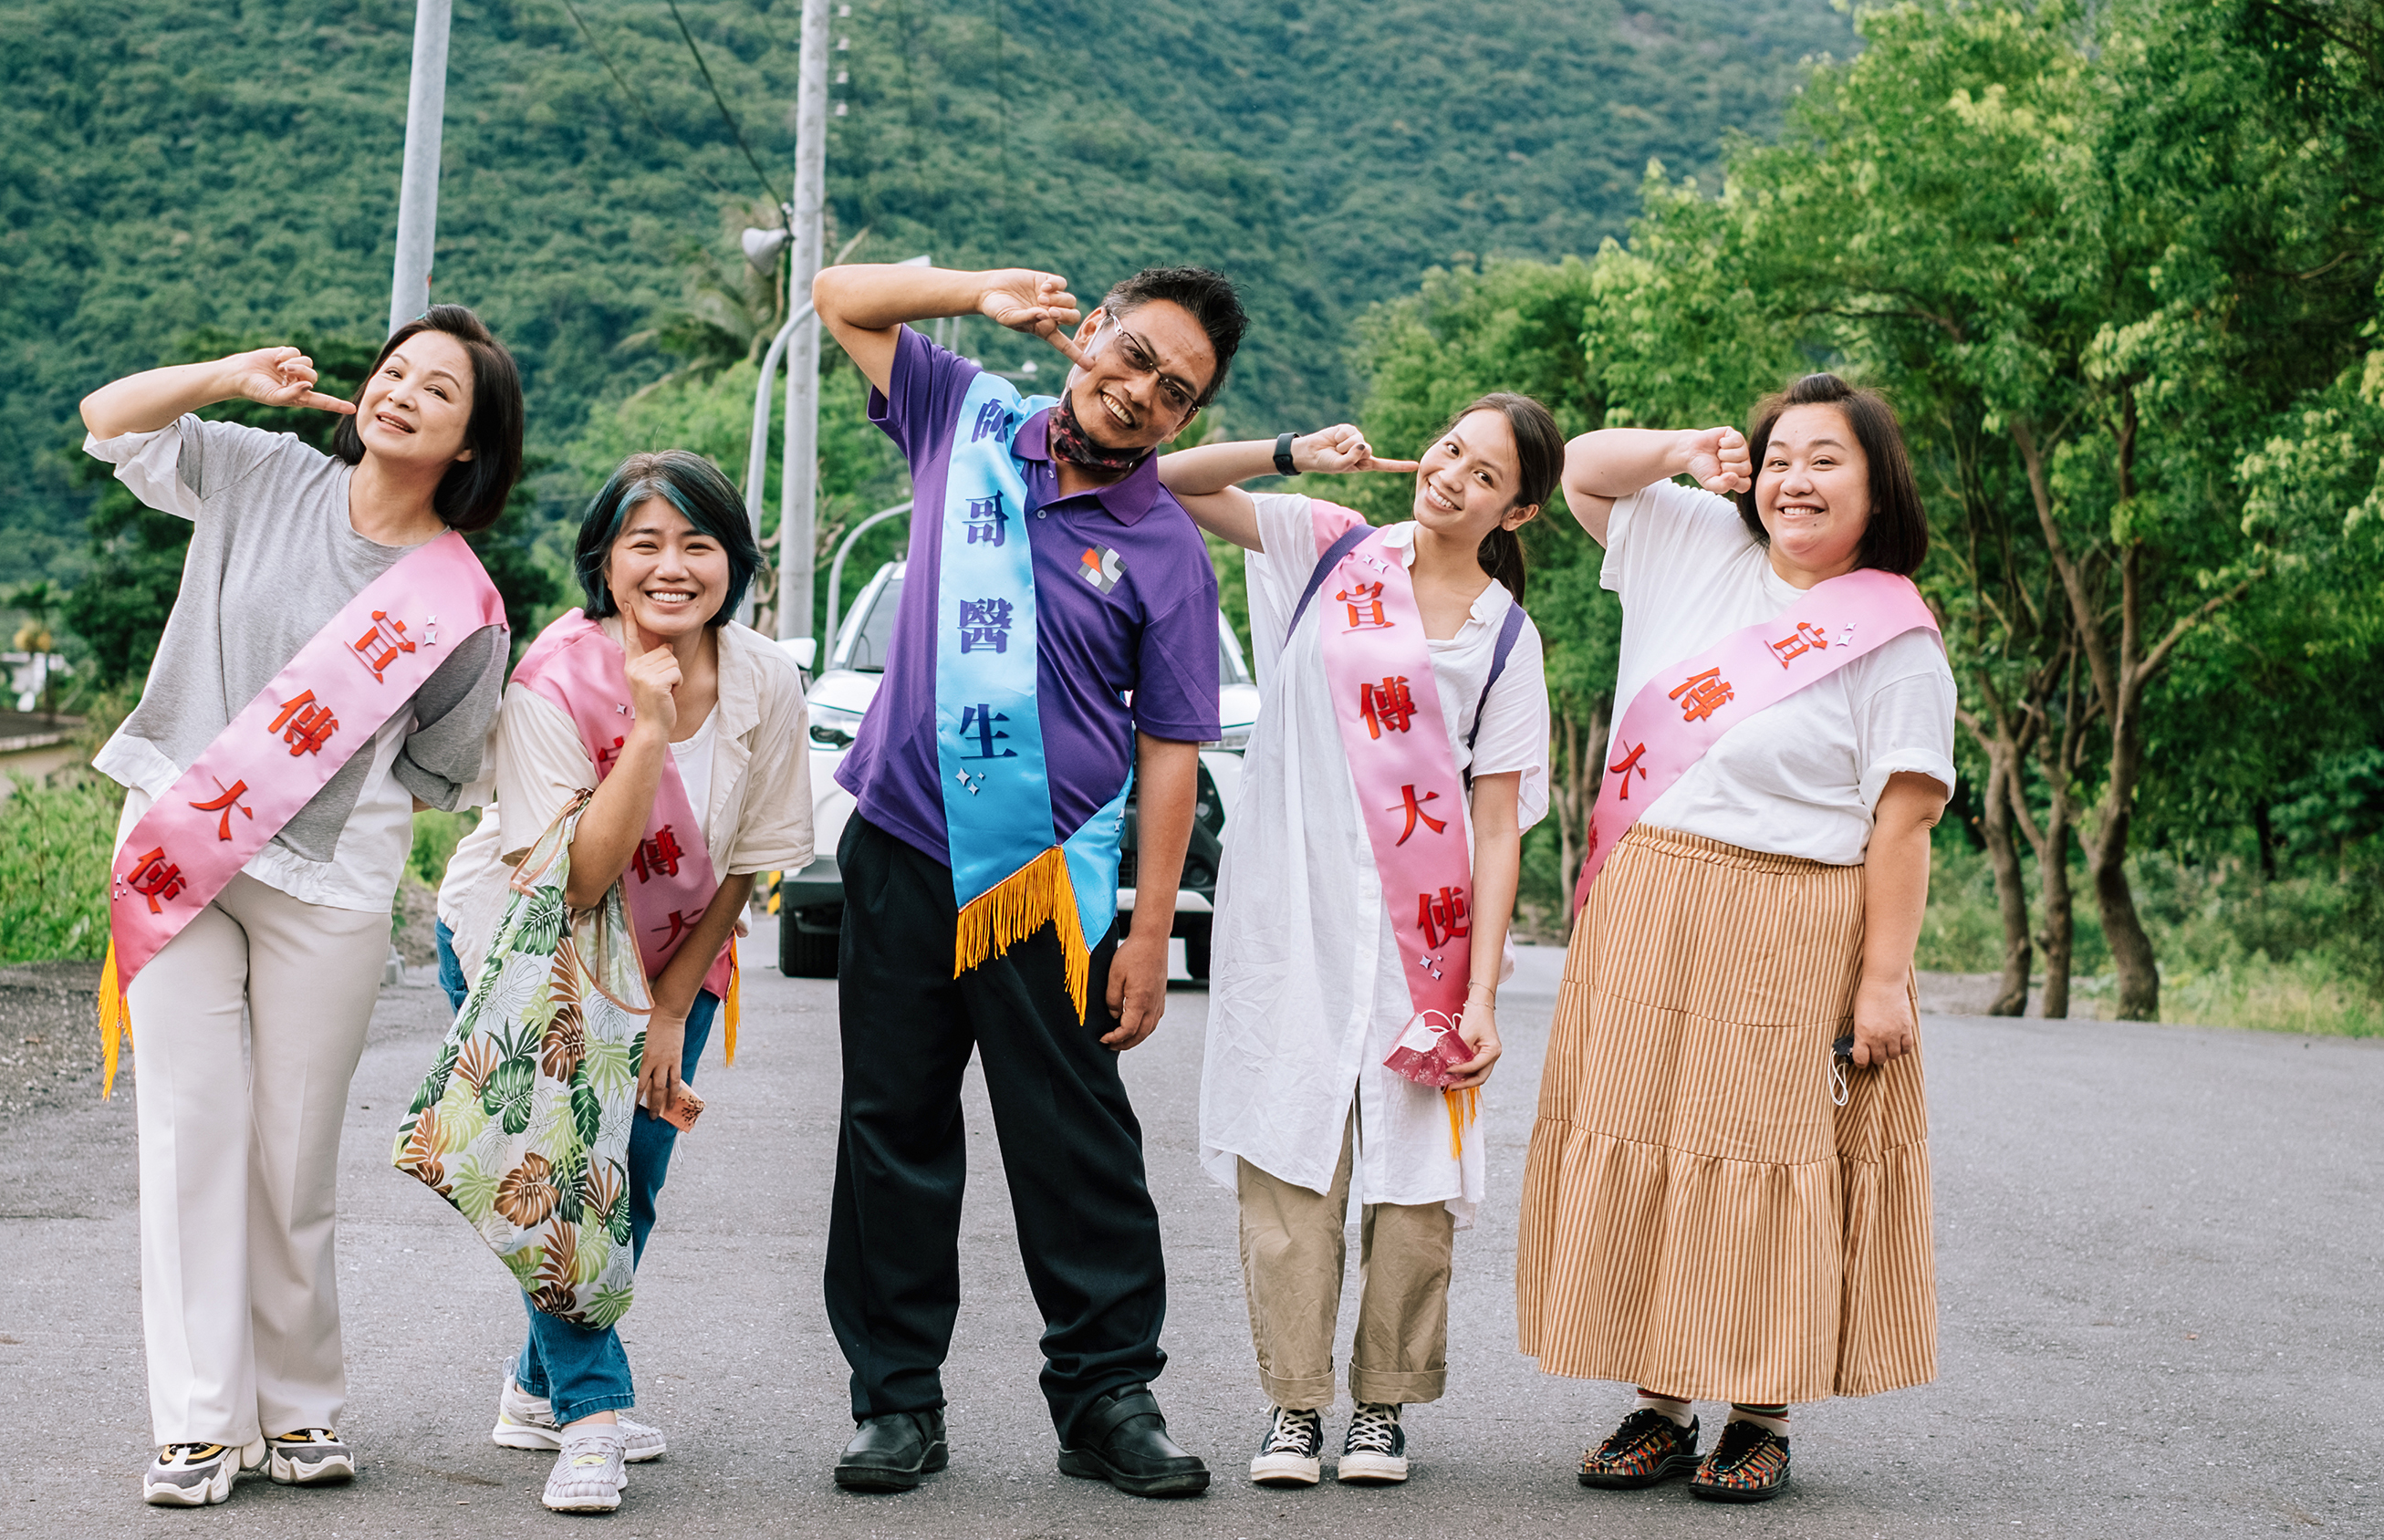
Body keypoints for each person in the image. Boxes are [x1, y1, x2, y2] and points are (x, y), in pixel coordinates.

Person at [809, 261, 1244, 1499]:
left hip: (1047, 881)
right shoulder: (966, 415)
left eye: (1176, 389)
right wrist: (968, 292)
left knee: (1076, 1139)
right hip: (901, 845)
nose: (1142, 390)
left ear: (1185, 421)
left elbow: (1172, 753)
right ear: (1091, 334)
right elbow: (843, 297)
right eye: (1136, 353)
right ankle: (896, 1401)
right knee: (891, 1128)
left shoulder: (1164, 546)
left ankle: (1107, 1395)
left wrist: (1151, 932)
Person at [78, 307, 520, 1507]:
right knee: (189, 1133)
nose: (402, 394)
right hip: (181, 841)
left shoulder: (465, 606)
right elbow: (106, 419)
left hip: (329, 888)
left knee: (291, 1154)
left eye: (439, 391)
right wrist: (231, 375)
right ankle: (197, 1426)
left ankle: (301, 1408)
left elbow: (441, 768)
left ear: (470, 445)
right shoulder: (254, 468)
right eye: (394, 372)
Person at [1517, 373, 1952, 1504]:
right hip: (1651, 896)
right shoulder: (1697, 537)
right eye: (1779, 457)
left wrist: (1885, 981)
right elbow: (1584, 465)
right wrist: (1690, 445)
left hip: (1792, 914)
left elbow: (1901, 824)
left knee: (1762, 1158)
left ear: (1876, 484)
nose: (1794, 479)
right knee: (1647, 1137)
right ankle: (1661, 1399)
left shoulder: (1892, 635)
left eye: (1826, 459)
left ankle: (1762, 1406)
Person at [1161, 399, 1560, 1487]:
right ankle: (1294, 1404)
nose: (1449, 476)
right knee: (1290, 1152)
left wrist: (1478, 995)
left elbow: (1491, 823)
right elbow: (1174, 479)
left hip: (1419, 940)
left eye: (1483, 476)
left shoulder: (1506, 639)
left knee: (1415, 1174)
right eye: (1447, 449)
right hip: (1292, 919)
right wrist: (1293, 452)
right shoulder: (1328, 545)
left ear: (1516, 509)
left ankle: (1382, 1405)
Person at [430, 450, 811, 1514]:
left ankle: (529, 1386)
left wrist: (674, 1007)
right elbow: (583, 877)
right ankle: (590, 1415)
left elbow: (748, 859)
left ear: (736, 563)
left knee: (632, 1179)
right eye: (645, 543)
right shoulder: (553, 680)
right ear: (605, 560)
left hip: (674, 959)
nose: (672, 566)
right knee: (565, 1177)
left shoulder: (765, 676)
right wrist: (646, 725)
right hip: (530, 948)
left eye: (699, 544)